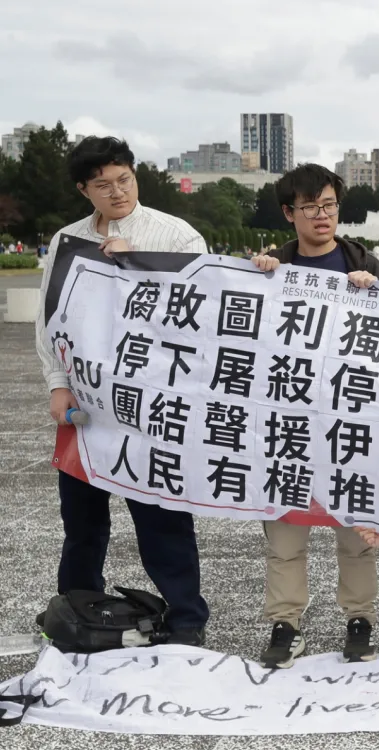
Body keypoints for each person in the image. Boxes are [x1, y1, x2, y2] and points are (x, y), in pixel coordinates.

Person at [34, 136, 210, 645]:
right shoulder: (68, 242)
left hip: (152, 402)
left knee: (162, 517)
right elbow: (50, 321)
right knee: (82, 522)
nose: (117, 192)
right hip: (86, 400)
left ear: (136, 175)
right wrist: (57, 383)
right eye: (103, 185)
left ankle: (186, 619)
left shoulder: (175, 235)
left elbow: (203, 314)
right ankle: (76, 608)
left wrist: (139, 266)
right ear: (83, 189)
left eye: (125, 180)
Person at [249, 163, 379, 668]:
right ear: (289, 213)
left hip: (351, 421)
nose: (322, 216)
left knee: (356, 533)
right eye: (310, 207)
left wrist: (374, 290)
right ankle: (285, 624)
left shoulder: (365, 264)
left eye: (329, 205)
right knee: (286, 534)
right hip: (288, 424)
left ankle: (360, 619)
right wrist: (257, 278)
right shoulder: (270, 270)